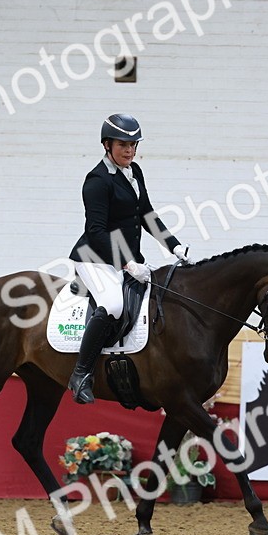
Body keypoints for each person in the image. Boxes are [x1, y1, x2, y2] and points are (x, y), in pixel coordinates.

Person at [66, 113, 191, 404]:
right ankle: (81, 374)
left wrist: (174, 246)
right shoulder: (97, 181)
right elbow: (95, 232)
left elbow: (146, 215)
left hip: (128, 259)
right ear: (107, 145)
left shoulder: (135, 172)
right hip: (94, 258)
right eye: (123, 144)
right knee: (112, 304)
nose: (130, 150)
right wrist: (126, 262)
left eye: (134, 145)